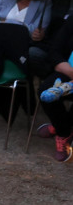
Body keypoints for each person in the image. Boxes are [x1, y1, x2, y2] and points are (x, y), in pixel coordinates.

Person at [33, 15, 73, 161]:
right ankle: (63, 129)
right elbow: (55, 50)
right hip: (68, 69)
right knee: (45, 90)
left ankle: (62, 128)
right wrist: (69, 70)